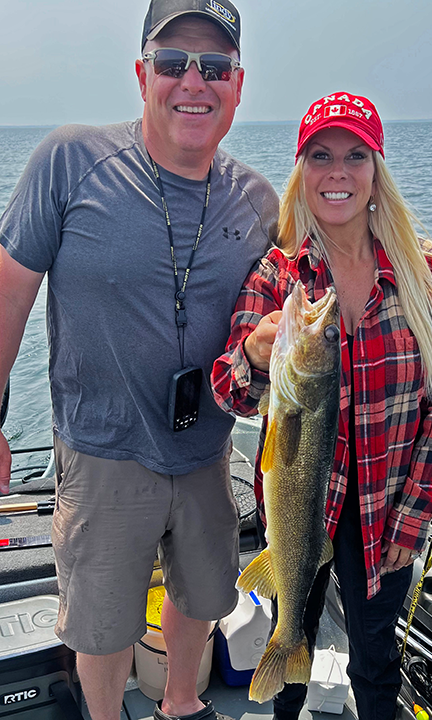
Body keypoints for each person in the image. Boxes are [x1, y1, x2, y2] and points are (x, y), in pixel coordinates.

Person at [0, 1, 279, 719]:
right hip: (101, 452)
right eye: (173, 62)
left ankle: (180, 703)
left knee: (202, 595)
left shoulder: (258, 201)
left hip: (208, 448)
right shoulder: (68, 160)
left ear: (238, 87)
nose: (195, 81)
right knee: (101, 620)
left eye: (215, 67)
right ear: (141, 74)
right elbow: (8, 298)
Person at [211, 91, 432, 720]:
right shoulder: (279, 276)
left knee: (377, 661)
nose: (338, 172)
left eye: (356, 155)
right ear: (302, 171)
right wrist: (254, 349)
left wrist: (411, 523)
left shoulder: (430, 278)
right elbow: (228, 390)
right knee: (290, 642)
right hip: (302, 512)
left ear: (377, 170)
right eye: (321, 155)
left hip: (386, 514)